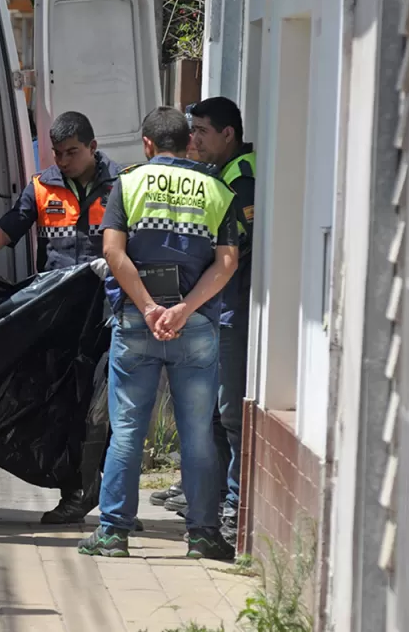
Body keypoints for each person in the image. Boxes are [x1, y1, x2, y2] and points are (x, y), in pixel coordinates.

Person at [78, 105, 238, 560]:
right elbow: (227, 262)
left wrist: (149, 307)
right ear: (188, 142)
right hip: (197, 325)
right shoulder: (216, 189)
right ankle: (203, 534)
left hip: (136, 323)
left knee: (127, 430)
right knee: (197, 435)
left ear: (147, 144)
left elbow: (113, 251)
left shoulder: (128, 183)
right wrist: (185, 310)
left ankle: (113, 534)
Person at [0, 111, 120, 524]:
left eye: (72, 152)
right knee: (62, 407)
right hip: (58, 319)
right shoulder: (42, 187)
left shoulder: (120, 184)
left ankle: (114, 500)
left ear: (92, 146)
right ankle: (76, 492)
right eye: (58, 153)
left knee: (105, 411)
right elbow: (8, 231)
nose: (64, 161)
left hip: (106, 315)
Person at [150, 97, 255, 545]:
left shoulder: (241, 178)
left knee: (229, 411)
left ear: (227, 134)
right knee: (208, 410)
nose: (193, 139)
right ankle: (207, 498)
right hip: (213, 308)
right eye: (190, 131)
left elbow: (234, 247)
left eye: (202, 132)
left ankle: (230, 505)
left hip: (229, 309)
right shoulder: (217, 175)